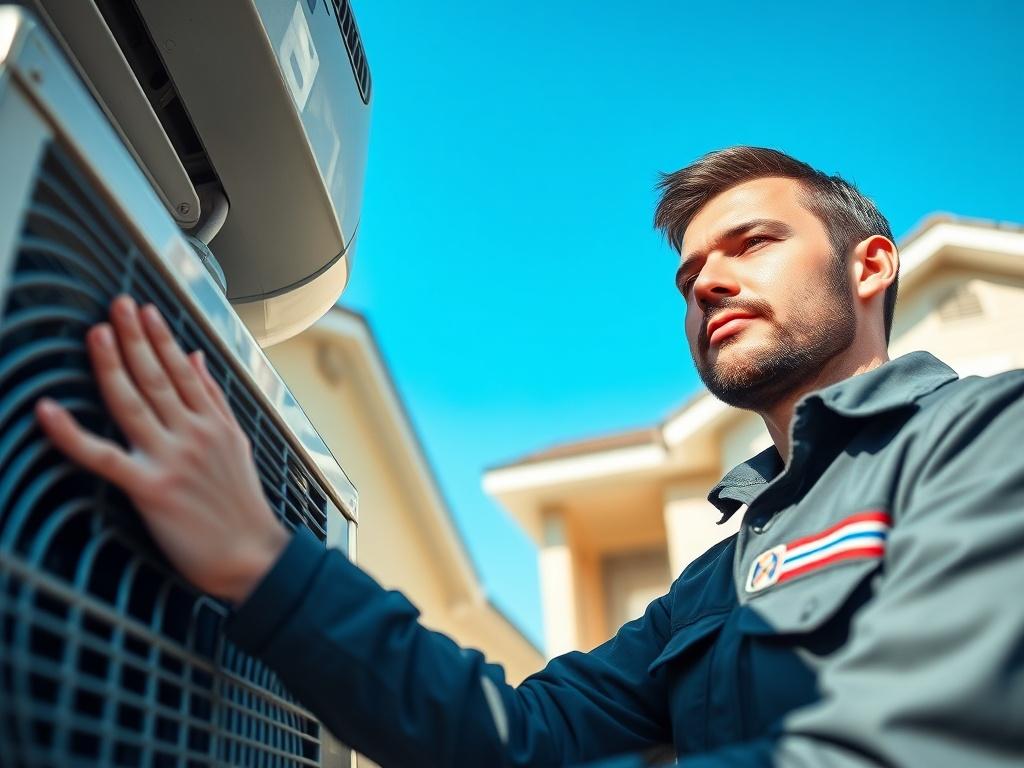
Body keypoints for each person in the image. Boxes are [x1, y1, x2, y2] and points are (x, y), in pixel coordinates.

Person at [34, 147, 1024, 767]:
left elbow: (918, 741)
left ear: (869, 264)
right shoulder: (711, 585)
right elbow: (517, 736)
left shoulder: (986, 437)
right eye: (688, 277)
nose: (708, 283)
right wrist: (265, 566)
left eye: (751, 242)